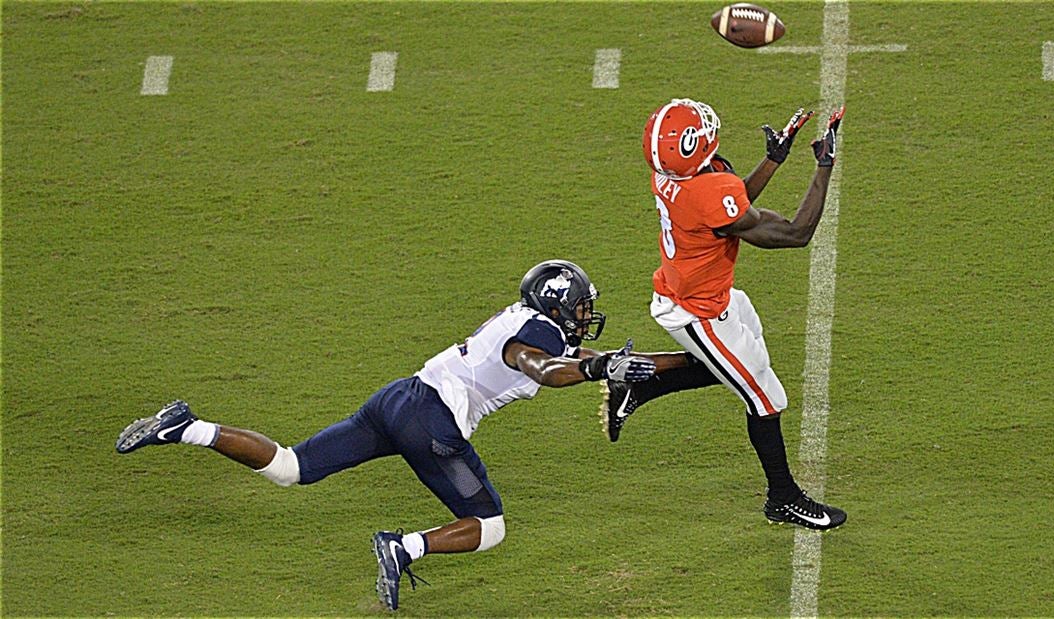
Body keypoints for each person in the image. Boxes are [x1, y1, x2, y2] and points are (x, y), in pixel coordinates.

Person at [116, 259, 676, 611]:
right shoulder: (536, 335)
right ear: (557, 305)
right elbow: (545, 368)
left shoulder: (530, 320)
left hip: (397, 398)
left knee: (291, 467)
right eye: (581, 305)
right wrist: (603, 369)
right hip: (433, 422)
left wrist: (691, 365)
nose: (587, 314)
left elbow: (589, 360)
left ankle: (187, 428)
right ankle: (402, 547)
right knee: (490, 526)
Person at [600, 99, 848, 531]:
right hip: (697, 311)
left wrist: (773, 161)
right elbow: (795, 233)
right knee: (765, 397)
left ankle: (638, 384)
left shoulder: (670, 176)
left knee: (739, 368)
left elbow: (732, 207)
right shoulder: (704, 190)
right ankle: (783, 498)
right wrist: (824, 167)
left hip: (699, 293)